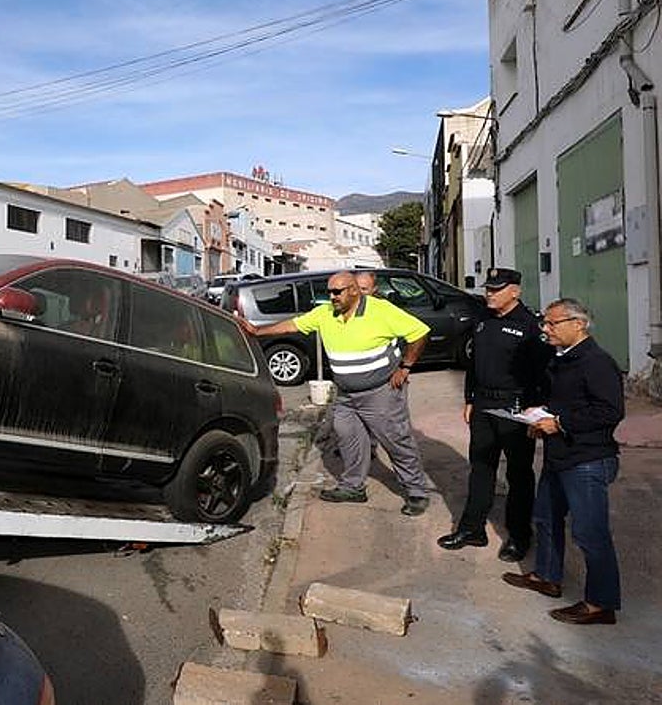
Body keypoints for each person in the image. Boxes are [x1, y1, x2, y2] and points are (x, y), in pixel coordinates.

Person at [238, 270, 433, 515]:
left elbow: (419, 332)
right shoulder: (325, 313)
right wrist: (257, 331)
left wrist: (405, 366)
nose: (332, 297)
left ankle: (416, 491)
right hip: (346, 396)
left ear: (354, 291)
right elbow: (293, 324)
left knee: (396, 440)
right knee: (349, 440)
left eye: (337, 292)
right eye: (329, 292)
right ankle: (353, 487)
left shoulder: (380, 311)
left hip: (380, 393)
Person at [501, 298, 624, 625]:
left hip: (587, 459)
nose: (546, 329)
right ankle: (547, 576)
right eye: (544, 323)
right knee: (545, 517)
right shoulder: (562, 358)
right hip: (560, 455)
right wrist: (540, 415)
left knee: (590, 533)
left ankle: (601, 604)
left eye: (552, 323)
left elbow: (609, 411)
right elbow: (567, 401)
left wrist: (559, 423)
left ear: (578, 324)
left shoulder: (596, 362)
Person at [438, 267, 553, 562]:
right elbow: (474, 364)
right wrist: (469, 398)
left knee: (518, 473)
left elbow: (543, 373)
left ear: (515, 291)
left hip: (516, 406)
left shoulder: (530, 326)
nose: (489, 294)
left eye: (496, 289)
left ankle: (519, 535)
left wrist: (536, 409)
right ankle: (472, 529)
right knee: (481, 466)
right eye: (488, 288)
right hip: (484, 404)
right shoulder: (482, 319)